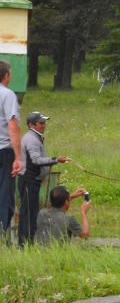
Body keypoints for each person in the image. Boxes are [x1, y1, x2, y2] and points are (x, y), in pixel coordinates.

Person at [18, 112, 69, 244]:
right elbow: (35, 160)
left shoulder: (35, 137)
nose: (44, 125)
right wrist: (55, 159)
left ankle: (28, 242)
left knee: (32, 212)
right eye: (41, 123)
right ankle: (25, 244)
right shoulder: (31, 139)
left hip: (32, 180)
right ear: (31, 125)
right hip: (29, 180)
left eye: (44, 122)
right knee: (28, 214)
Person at [0, 60, 22, 236]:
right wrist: (18, 157)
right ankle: (2, 232)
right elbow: (12, 125)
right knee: (5, 194)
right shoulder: (7, 95)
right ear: (6, 76)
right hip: (4, 151)